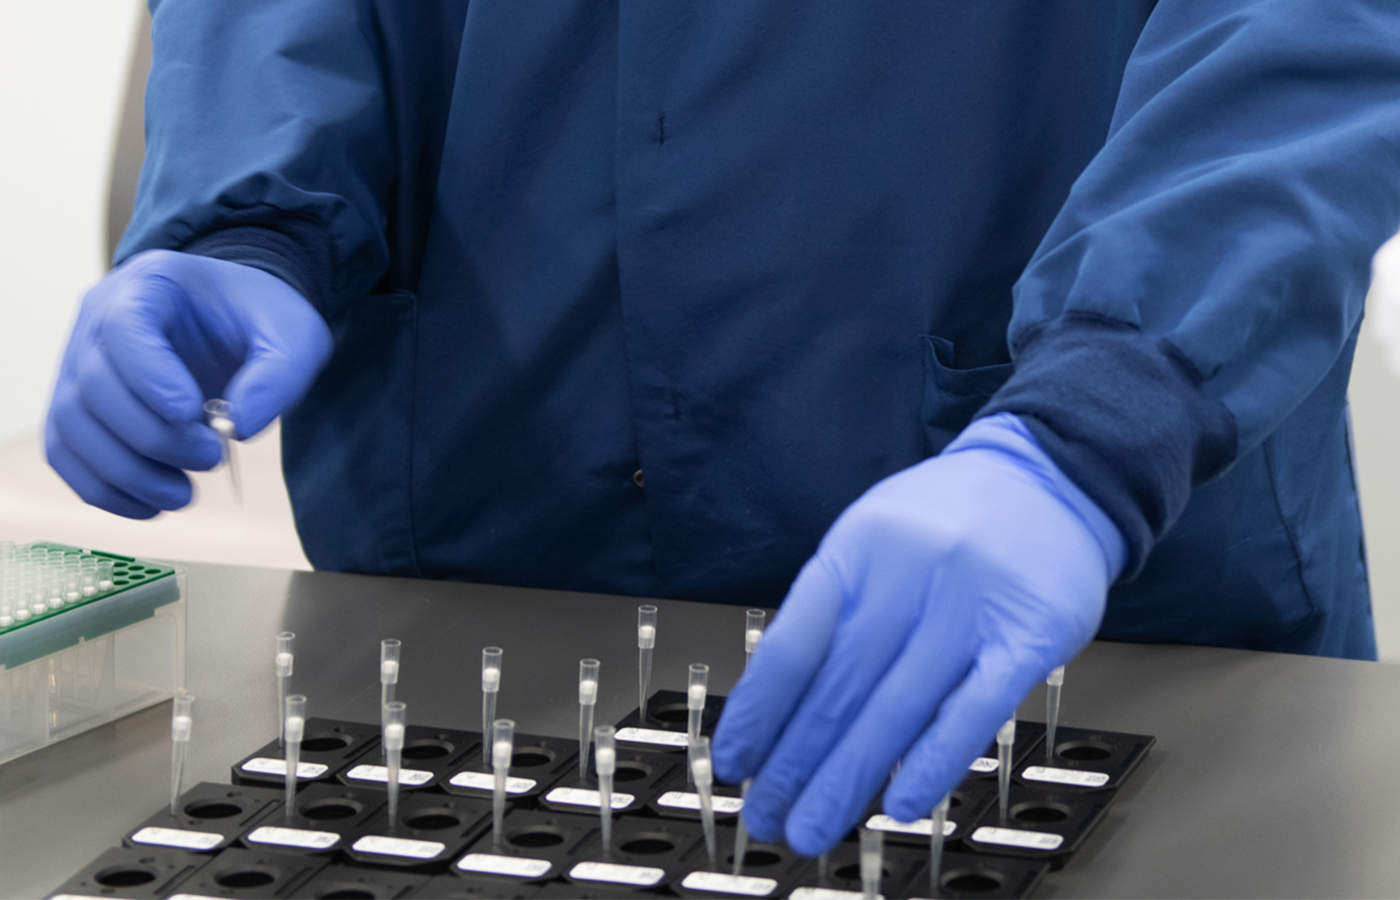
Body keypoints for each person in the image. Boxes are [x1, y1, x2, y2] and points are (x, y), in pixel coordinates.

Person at [45, 1, 1400, 853]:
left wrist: (1099, 421)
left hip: (1094, 626)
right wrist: (249, 217)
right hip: (494, 581)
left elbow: (1310, 32)